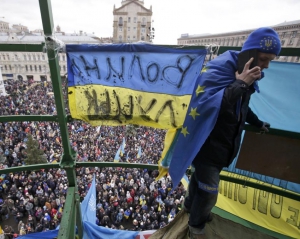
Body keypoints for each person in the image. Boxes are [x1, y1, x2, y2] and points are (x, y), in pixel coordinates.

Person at [183, 27, 281, 239]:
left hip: (223, 146)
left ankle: (191, 207)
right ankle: (196, 226)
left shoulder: (246, 76)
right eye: (264, 59)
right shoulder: (220, 70)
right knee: (209, 191)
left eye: (270, 60)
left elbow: (241, 107)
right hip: (206, 143)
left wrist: (256, 122)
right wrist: (241, 83)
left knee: (199, 181)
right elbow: (211, 105)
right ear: (250, 54)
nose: (267, 65)